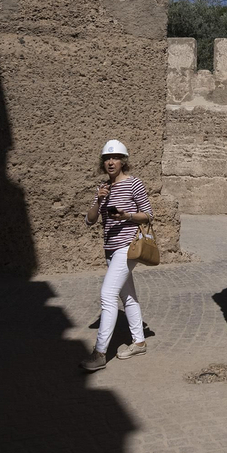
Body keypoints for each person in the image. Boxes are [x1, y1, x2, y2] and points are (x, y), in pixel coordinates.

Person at [80, 139, 152, 371]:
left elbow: (148, 215)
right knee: (127, 296)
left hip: (127, 248)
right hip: (110, 250)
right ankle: (139, 342)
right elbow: (90, 220)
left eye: (115, 158)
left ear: (123, 161)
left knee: (107, 295)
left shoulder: (134, 184)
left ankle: (100, 353)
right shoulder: (103, 188)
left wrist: (127, 216)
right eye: (106, 159)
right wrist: (100, 199)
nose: (110, 162)